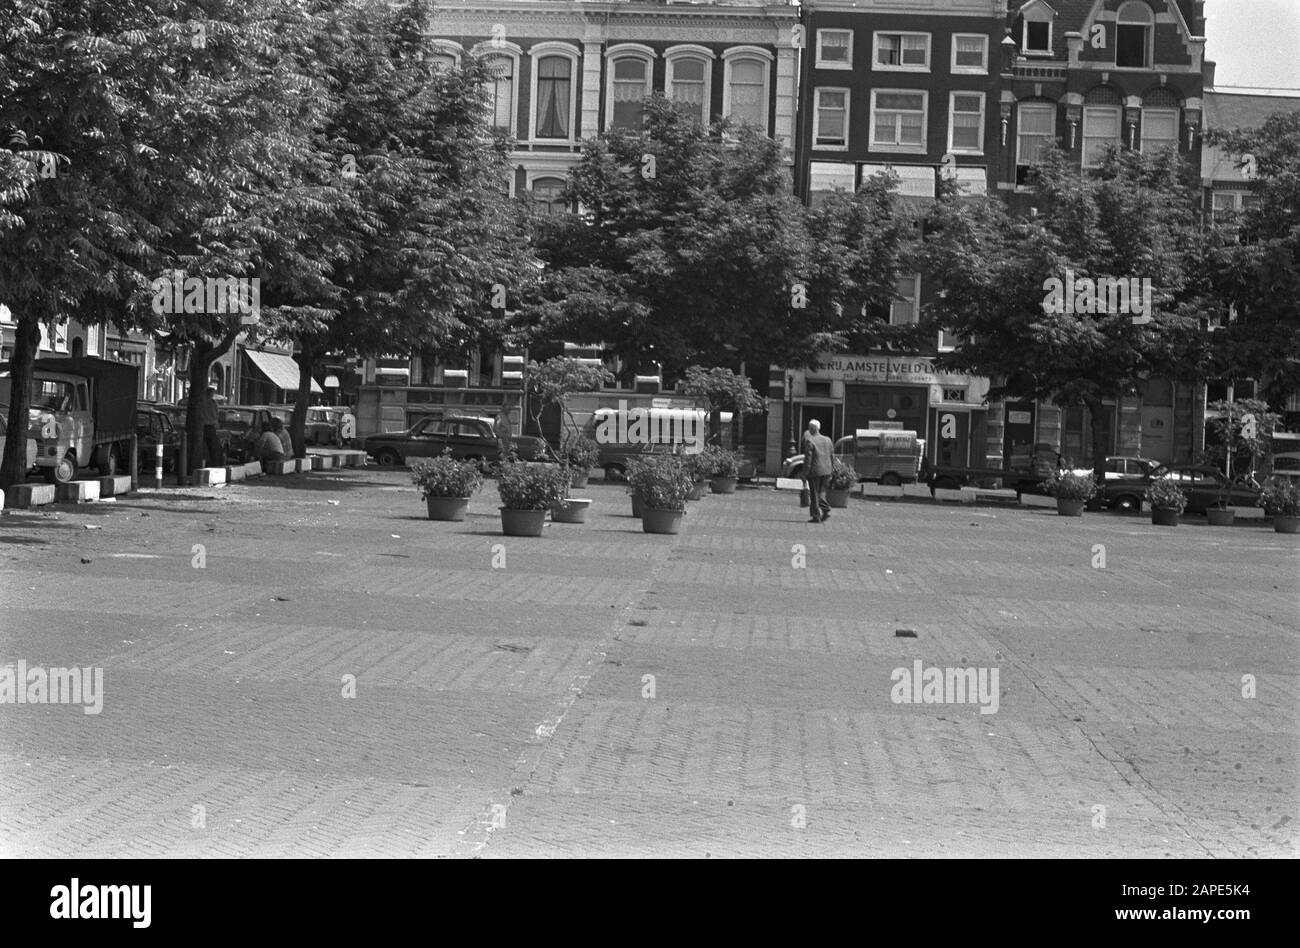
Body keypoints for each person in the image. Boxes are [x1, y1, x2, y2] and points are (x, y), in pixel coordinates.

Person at [801, 419, 834, 523]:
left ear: (810, 429)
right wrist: (831, 469)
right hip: (827, 470)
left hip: (815, 471)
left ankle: (817, 515)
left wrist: (804, 473)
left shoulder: (810, 441)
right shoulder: (828, 440)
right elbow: (832, 456)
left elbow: (808, 459)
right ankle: (824, 511)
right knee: (822, 492)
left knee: (814, 494)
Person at [197, 386, 223, 468]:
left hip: (202, 426)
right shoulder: (213, 403)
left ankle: (202, 462)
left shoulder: (202, 402)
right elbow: (216, 414)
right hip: (210, 426)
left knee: (201, 446)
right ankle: (213, 464)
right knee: (212, 447)